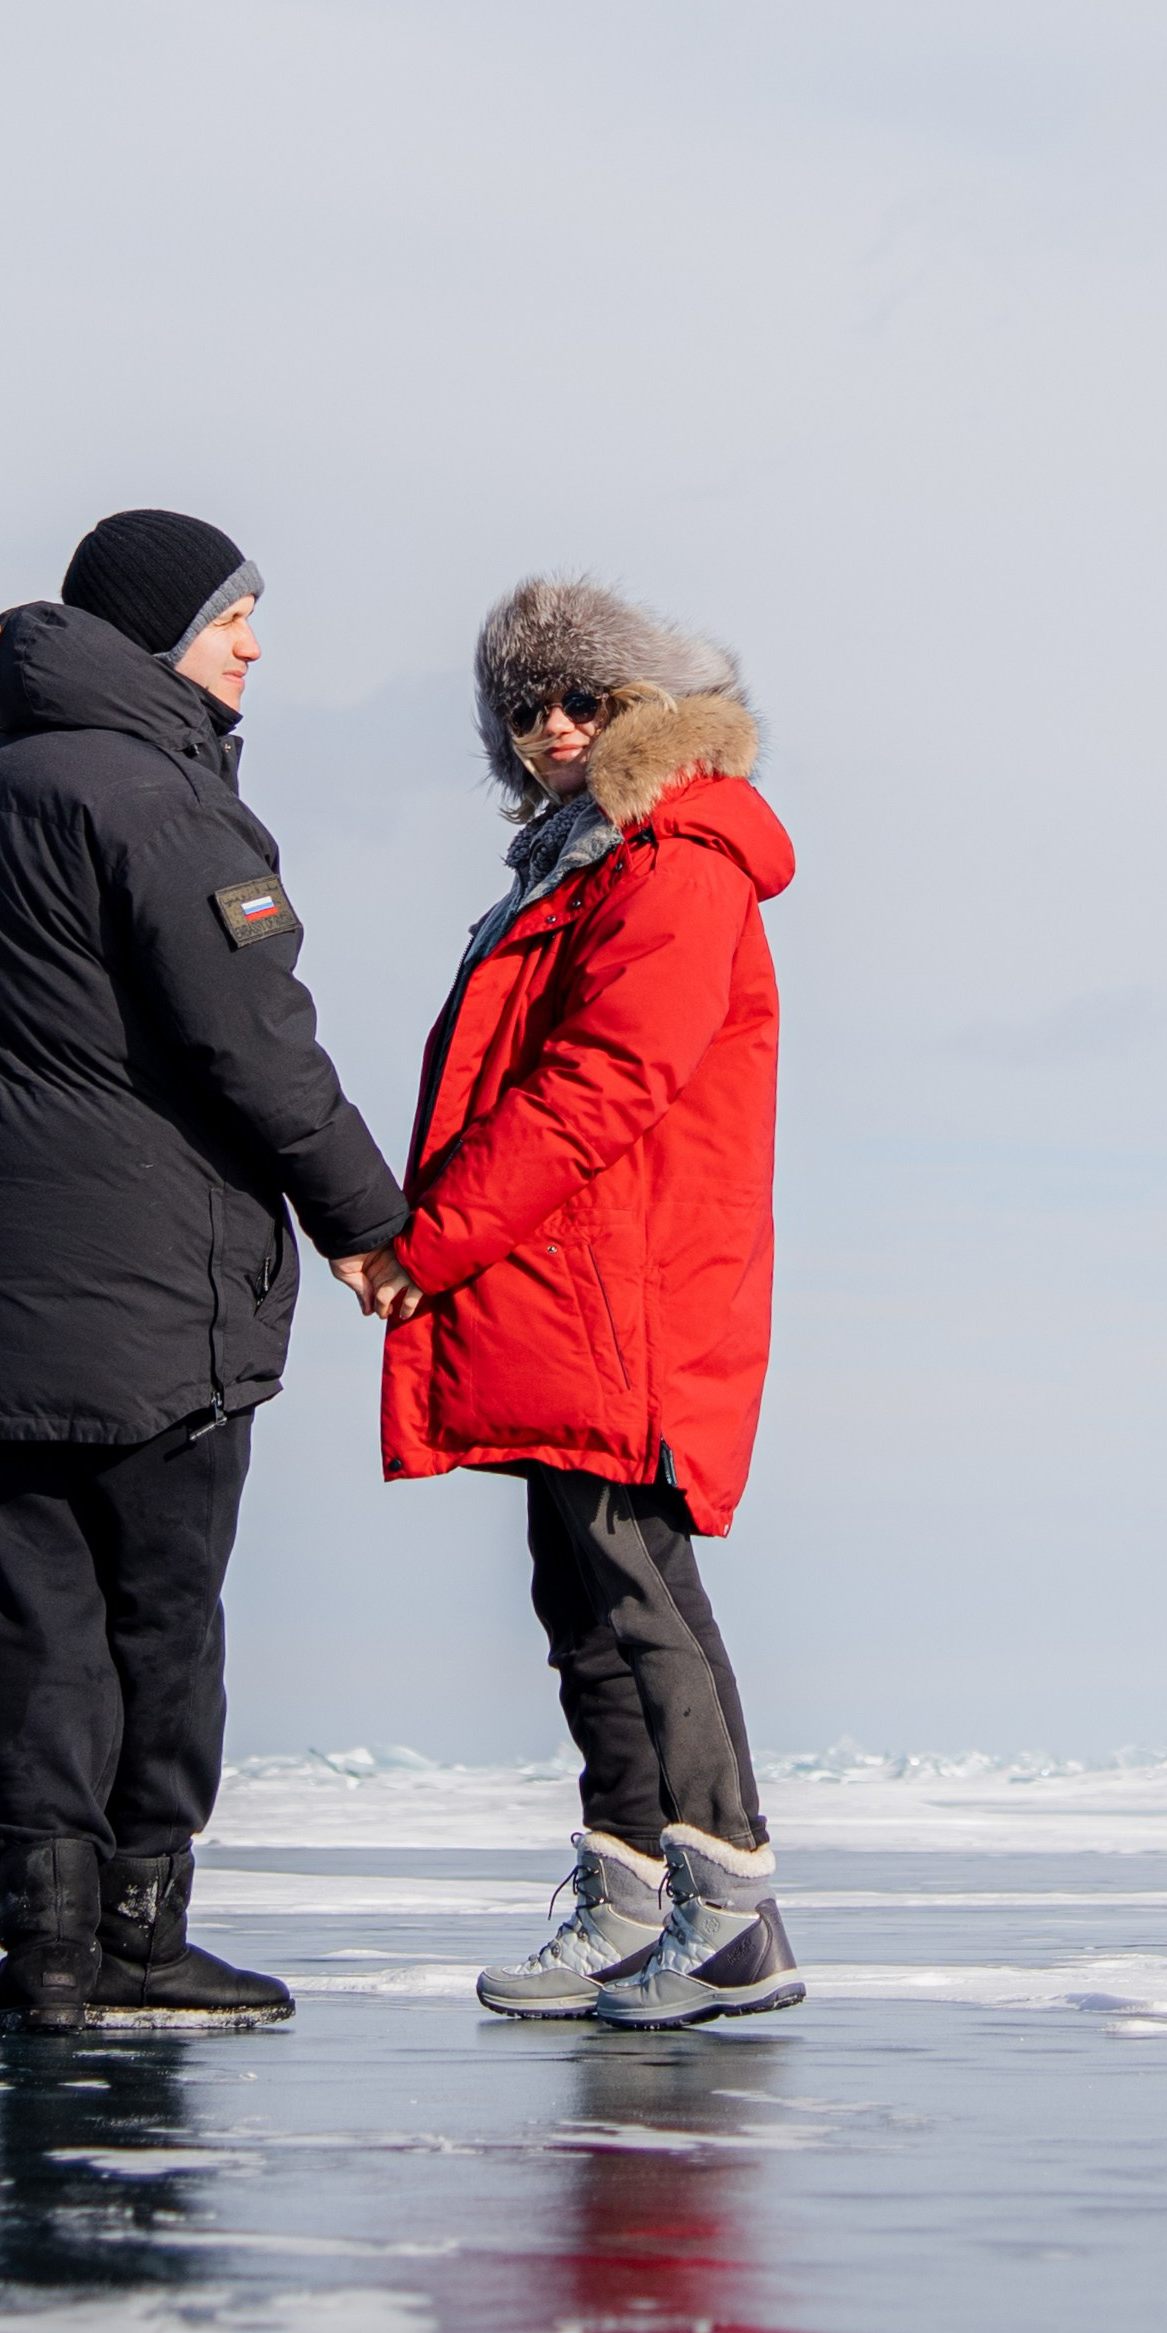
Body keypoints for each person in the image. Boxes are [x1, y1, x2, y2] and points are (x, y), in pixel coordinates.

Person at [0, 509, 409, 2036]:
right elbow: (260, 1049)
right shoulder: (166, 802)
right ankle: (139, 1933)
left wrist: (32, 1050)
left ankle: (40, 1959)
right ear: (165, 631)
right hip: (157, 1290)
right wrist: (369, 1224)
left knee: (35, 1624)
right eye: (237, 617)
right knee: (161, 1615)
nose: (256, 646)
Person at [364, 575, 802, 2029]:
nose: (551, 728)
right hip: (569, 1283)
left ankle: (731, 1906)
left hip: (628, 1289)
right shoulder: (580, 858)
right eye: (524, 708)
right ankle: (630, 1893)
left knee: (638, 1583)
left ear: (643, 710)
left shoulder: (672, 859)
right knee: (581, 1592)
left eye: (582, 701)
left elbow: (602, 1082)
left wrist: (436, 1240)